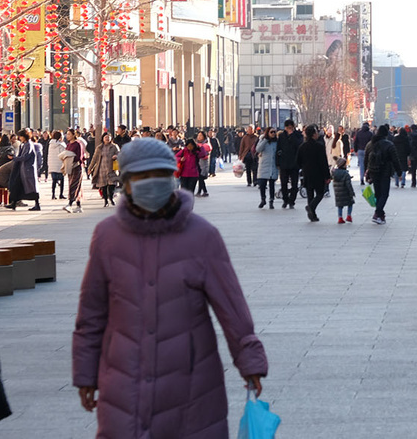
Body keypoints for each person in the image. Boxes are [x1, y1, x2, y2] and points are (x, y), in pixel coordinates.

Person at [72, 138, 268, 437]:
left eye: (159, 175)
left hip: (191, 384)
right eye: (140, 177)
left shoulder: (202, 235)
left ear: (172, 178)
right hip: (124, 383)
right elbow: (91, 312)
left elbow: (232, 307)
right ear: (125, 183)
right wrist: (86, 374)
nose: (151, 183)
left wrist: (249, 360)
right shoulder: (107, 236)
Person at [363, 125, 401, 224]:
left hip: (374, 171)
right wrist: (399, 172)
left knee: (378, 193)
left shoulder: (371, 144)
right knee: (384, 194)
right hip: (385, 171)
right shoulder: (389, 145)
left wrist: (366, 171)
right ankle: (377, 214)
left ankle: (380, 215)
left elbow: (366, 159)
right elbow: (395, 160)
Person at [298, 125, 331, 222]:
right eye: (316, 132)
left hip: (307, 173)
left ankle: (313, 215)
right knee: (320, 193)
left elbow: (298, 161)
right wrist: (327, 176)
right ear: (313, 134)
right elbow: (323, 162)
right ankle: (311, 207)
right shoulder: (319, 146)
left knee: (310, 193)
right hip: (318, 173)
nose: (317, 134)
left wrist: (304, 167)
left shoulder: (302, 146)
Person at [9, 130, 42, 212]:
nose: (19, 138)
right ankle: (14, 203)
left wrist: (15, 158)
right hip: (23, 169)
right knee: (19, 186)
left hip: (28, 170)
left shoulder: (29, 145)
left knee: (31, 187)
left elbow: (25, 156)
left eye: (21, 136)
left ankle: (37, 204)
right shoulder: (24, 145)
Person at [276, 120, 303, 209]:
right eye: (287, 127)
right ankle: (285, 200)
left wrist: (292, 135)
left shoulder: (298, 135)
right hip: (284, 163)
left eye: (290, 127)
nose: (289, 129)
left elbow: (299, 145)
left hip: (294, 163)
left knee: (294, 184)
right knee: (283, 183)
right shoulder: (281, 136)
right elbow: (278, 149)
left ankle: (292, 201)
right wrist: (277, 162)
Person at [89, 133, 120, 207]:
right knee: (104, 186)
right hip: (102, 169)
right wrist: (90, 168)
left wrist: (116, 156)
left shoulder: (114, 147)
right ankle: (105, 200)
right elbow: (94, 158)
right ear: (103, 138)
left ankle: (111, 198)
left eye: (108, 137)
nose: (107, 138)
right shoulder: (99, 148)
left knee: (112, 184)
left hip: (111, 169)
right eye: (106, 137)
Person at [61, 128, 87, 213]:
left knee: (74, 185)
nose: (67, 136)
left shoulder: (78, 144)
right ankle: (79, 205)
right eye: (67, 134)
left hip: (77, 167)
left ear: (73, 135)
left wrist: (70, 156)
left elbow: (79, 156)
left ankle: (70, 204)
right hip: (70, 167)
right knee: (76, 186)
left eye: (69, 134)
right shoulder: (68, 145)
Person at [253, 127, 279, 210]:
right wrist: (265, 140)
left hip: (273, 165)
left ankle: (271, 201)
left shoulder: (277, 142)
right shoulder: (263, 140)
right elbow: (258, 149)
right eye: (271, 132)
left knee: (272, 185)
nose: (273, 134)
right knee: (262, 184)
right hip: (264, 165)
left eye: (274, 132)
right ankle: (263, 199)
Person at [331, 156, 355, 224]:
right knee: (350, 203)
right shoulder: (346, 174)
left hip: (338, 193)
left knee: (340, 206)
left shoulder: (334, 173)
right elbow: (348, 185)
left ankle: (340, 217)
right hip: (346, 192)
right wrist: (352, 193)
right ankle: (349, 216)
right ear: (343, 165)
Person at [47, 131, 66, 200]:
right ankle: (61, 194)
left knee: (54, 180)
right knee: (62, 180)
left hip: (52, 164)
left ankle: (53, 194)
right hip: (60, 164)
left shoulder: (50, 144)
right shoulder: (61, 145)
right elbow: (63, 154)